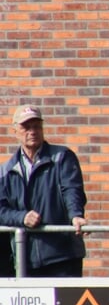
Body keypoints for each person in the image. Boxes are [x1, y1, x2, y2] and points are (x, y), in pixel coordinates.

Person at [0, 105, 88, 277]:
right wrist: (22, 217)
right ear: (15, 131)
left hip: (63, 256)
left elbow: (71, 190)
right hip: (25, 259)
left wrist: (76, 215)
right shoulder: (6, 172)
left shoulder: (62, 157)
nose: (32, 131)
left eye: (37, 126)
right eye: (26, 127)